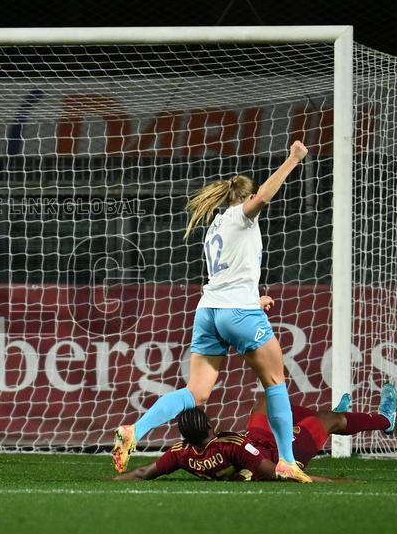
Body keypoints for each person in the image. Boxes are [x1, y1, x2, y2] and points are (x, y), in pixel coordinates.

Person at [113, 140, 312, 482]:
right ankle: (286, 461)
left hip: (209, 312)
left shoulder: (216, 225)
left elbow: (228, 276)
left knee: (196, 392)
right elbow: (264, 197)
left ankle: (136, 430)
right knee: (275, 382)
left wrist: (254, 300)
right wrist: (293, 159)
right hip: (238, 313)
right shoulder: (242, 216)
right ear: (246, 197)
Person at [114, 384, 397, 483]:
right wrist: (337, 482)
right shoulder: (233, 446)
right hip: (280, 455)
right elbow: (277, 472)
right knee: (329, 419)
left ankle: (325, 422)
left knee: (266, 400)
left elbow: (144, 472)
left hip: (258, 442)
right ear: (211, 426)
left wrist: (113, 480)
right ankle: (385, 420)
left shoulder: (181, 453)